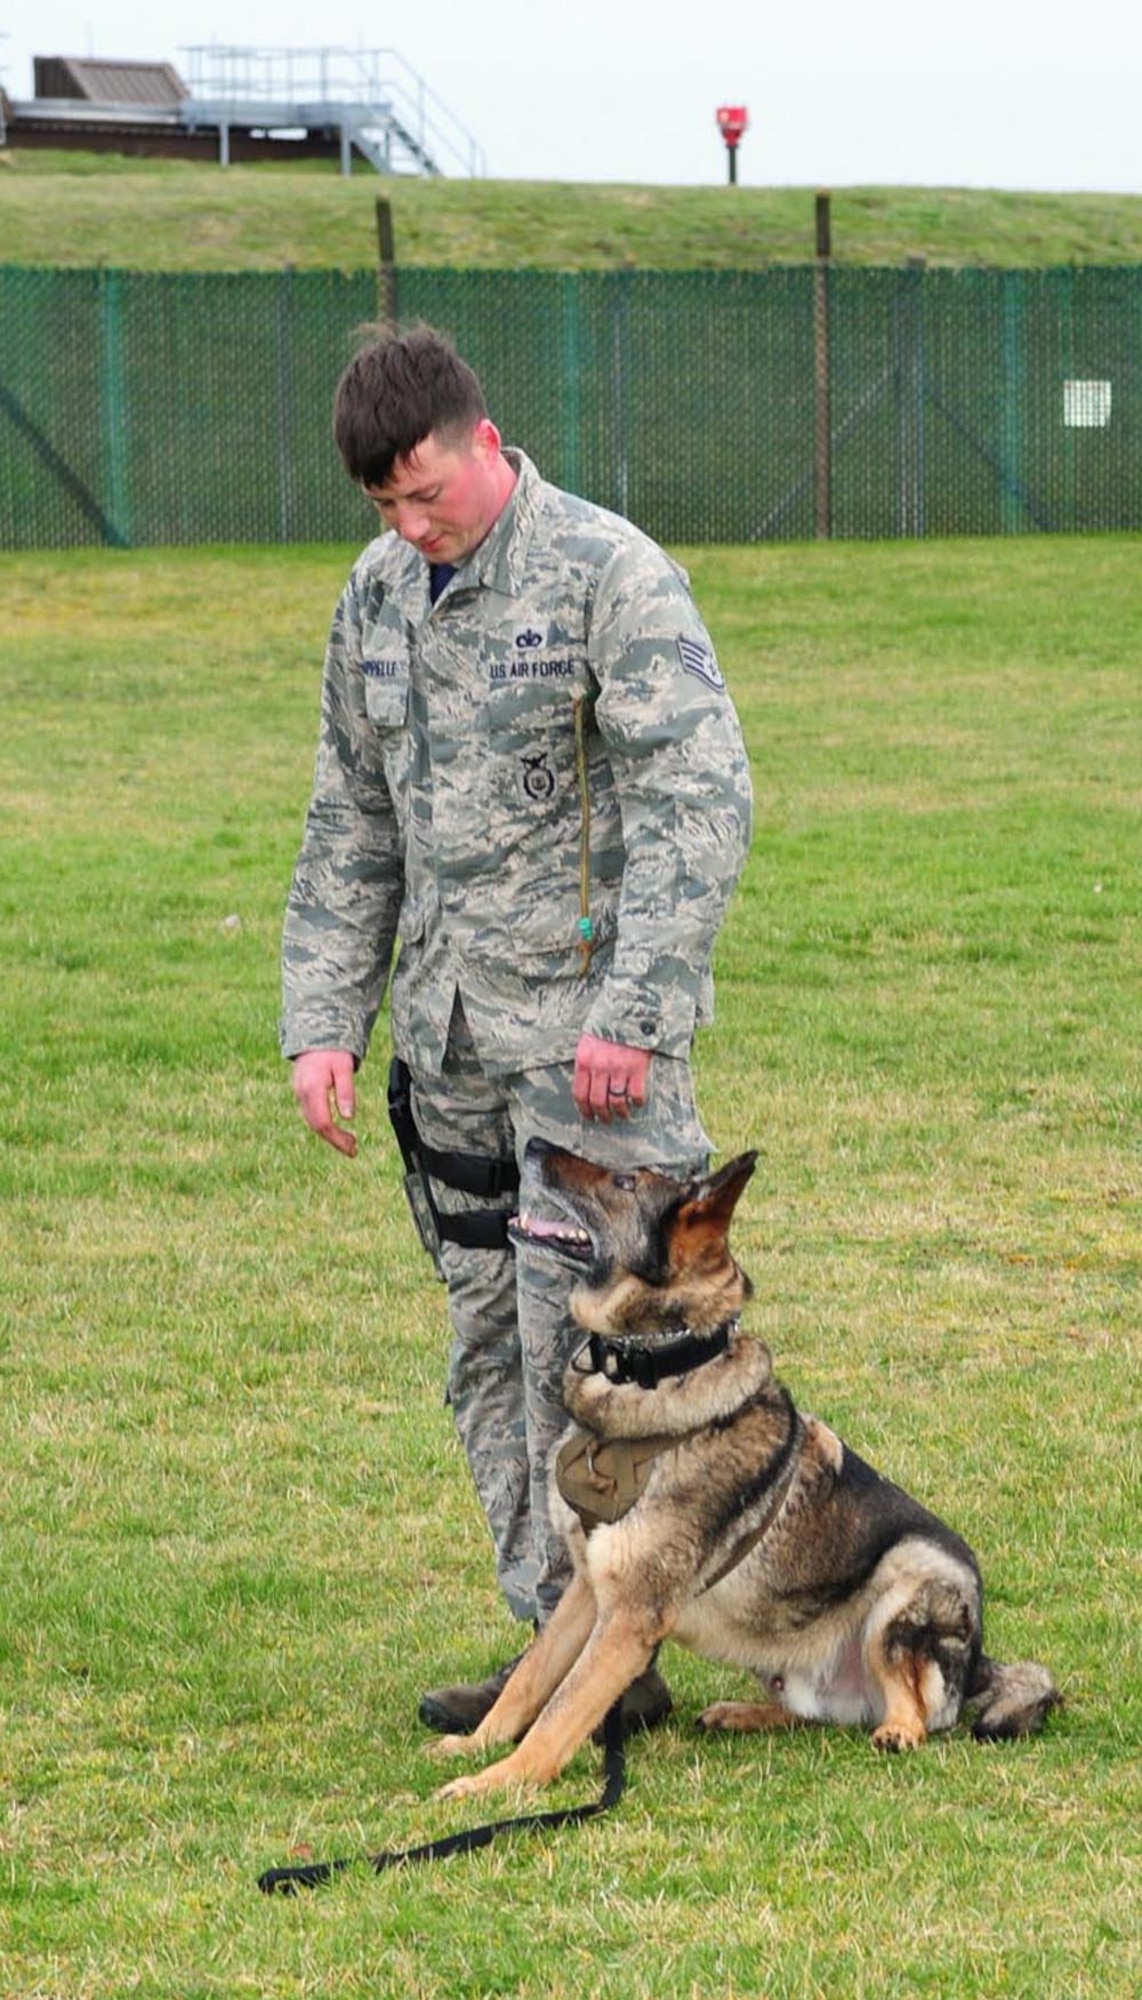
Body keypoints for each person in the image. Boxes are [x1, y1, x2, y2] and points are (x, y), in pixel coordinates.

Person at [280, 324, 752, 1735]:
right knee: (490, 1347)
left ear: (484, 442)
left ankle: (653, 1623)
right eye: (386, 508)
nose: (411, 527)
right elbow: (349, 820)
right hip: (450, 1047)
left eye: (428, 494)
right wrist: (325, 1019)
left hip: (588, 1052)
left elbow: (699, 801)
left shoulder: (608, 572)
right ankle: (553, 1643)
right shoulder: (374, 599)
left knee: (613, 1353)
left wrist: (638, 1008)